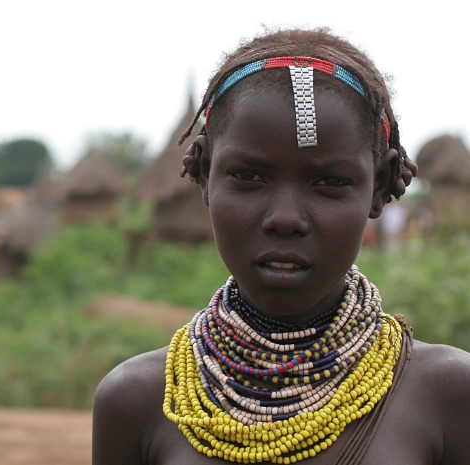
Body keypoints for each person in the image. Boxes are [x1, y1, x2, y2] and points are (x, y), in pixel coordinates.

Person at [92, 28, 470, 464]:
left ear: (378, 187)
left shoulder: (448, 395)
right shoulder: (138, 401)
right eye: (249, 176)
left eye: (329, 182)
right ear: (205, 172)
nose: (286, 218)